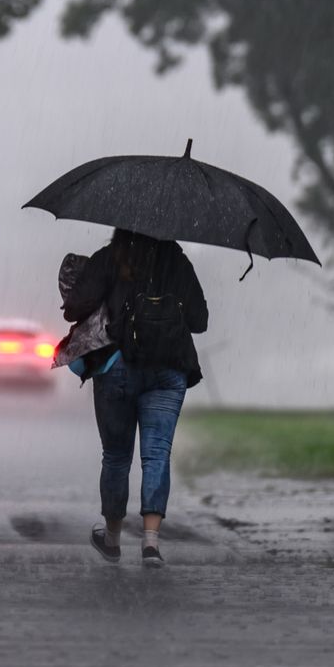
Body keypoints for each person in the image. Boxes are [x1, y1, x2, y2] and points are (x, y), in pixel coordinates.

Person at [62, 227, 208, 568]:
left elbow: (74, 309)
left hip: (117, 368)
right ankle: (151, 543)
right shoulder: (177, 261)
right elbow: (199, 321)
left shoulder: (110, 258)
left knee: (116, 456)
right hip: (169, 369)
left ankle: (112, 538)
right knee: (157, 455)